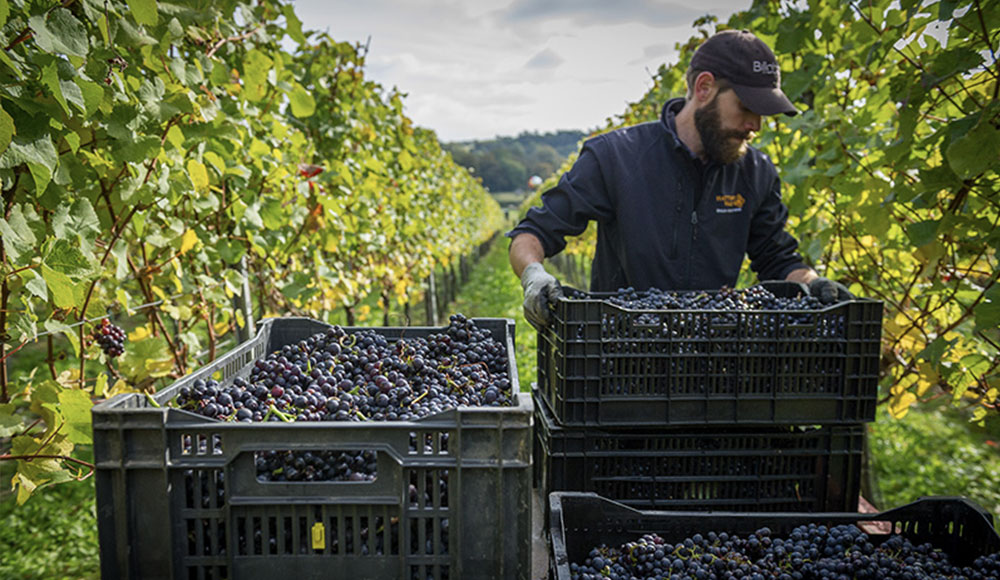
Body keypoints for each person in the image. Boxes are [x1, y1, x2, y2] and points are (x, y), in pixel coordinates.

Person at [507, 29, 852, 329]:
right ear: (704, 88)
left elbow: (777, 261)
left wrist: (813, 282)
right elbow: (532, 234)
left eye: (761, 114)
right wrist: (534, 277)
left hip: (711, 356)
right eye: (746, 108)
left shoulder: (756, 172)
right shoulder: (616, 156)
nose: (755, 126)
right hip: (618, 353)